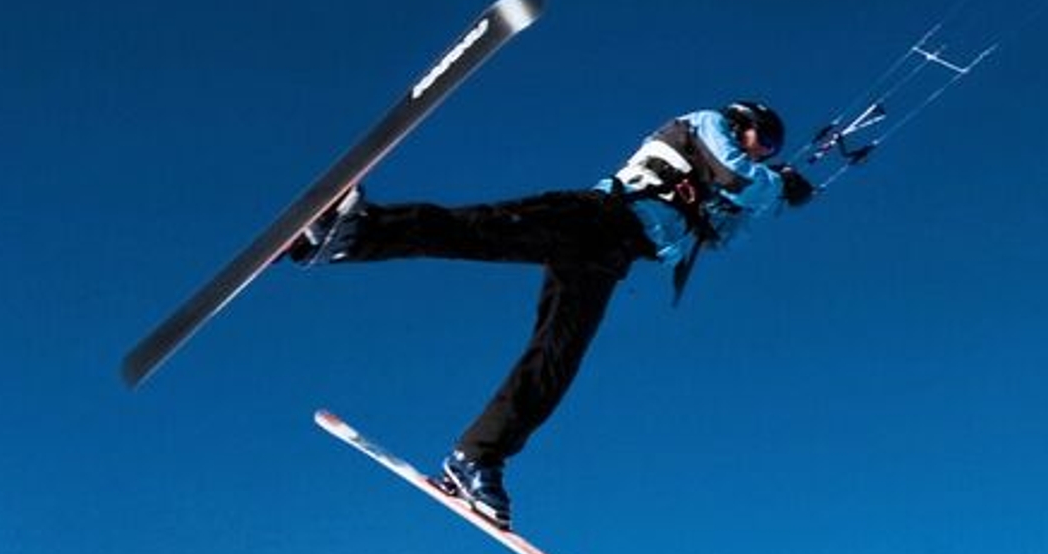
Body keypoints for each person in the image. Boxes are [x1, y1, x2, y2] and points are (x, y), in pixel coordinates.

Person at [284, 99, 820, 526]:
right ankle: (354, 233)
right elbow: (737, 175)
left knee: (556, 360)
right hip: (597, 216)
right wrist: (777, 187)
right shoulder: (706, 125)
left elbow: (727, 227)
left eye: (772, 149)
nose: (766, 151)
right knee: (482, 228)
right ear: (745, 121)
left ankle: (477, 457)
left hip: (612, 256)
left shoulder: (718, 192)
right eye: (765, 139)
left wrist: (776, 195)